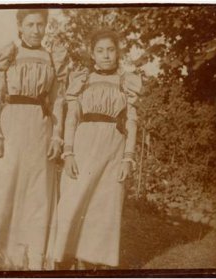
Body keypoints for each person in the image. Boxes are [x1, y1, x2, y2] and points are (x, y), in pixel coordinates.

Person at [0, 9, 68, 271]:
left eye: (41, 25)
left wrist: (57, 136)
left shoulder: (52, 58)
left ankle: (29, 261)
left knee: (36, 196)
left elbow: (57, 100)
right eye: (30, 24)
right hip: (10, 128)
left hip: (40, 130)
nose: (36, 30)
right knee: (1, 191)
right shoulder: (10, 55)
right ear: (20, 27)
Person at [51, 29, 143, 269]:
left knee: (103, 208)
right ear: (92, 54)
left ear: (118, 53)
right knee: (73, 202)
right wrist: (68, 152)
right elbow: (71, 119)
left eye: (110, 50)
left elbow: (131, 122)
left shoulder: (126, 82)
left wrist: (128, 158)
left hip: (113, 148)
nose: (106, 55)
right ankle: (64, 258)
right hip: (83, 147)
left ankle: (91, 261)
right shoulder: (82, 80)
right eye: (100, 51)